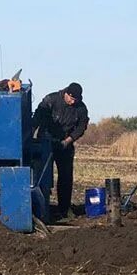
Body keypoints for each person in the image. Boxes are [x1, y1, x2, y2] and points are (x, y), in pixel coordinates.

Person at [32, 82, 89, 217]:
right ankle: (41, 208)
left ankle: (64, 208)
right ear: (66, 94)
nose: (73, 102)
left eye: (76, 100)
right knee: (42, 175)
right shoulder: (51, 100)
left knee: (66, 176)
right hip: (45, 142)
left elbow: (81, 127)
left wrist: (67, 141)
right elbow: (37, 118)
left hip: (64, 143)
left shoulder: (81, 108)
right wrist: (32, 137)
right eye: (71, 99)